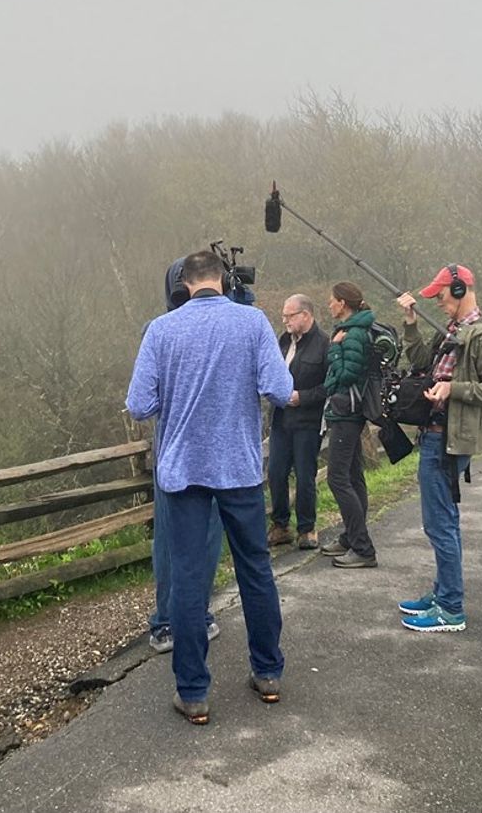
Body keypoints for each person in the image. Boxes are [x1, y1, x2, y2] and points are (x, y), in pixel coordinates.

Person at [126, 249, 293, 725]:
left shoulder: (161, 330)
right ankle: (268, 674)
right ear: (223, 279)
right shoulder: (253, 322)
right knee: (255, 570)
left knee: (188, 577)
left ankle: (194, 693)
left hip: (182, 473)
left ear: (184, 283)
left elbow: (139, 405)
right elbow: (280, 391)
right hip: (239, 469)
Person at [396, 264, 482, 633]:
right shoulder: (451, 330)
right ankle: (443, 593)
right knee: (443, 522)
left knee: (439, 524)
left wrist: (454, 389)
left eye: (442, 294)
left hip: (447, 440)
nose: (438, 301)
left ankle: (450, 608)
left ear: (461, 290)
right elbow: (422, 364)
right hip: (435, 435)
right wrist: (411, 324)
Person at [148, 259, 223, 653]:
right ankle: (179, 617)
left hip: (180, 450)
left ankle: (180, 618)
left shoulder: (161, 330)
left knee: (181, 539)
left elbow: (142, 401)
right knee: (192, 538)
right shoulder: (231, 325)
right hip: (207, 450)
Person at [319, 281, 378, 568]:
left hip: (346, 413)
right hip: (347, 412)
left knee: (337, 478)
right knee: (354, 476)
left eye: (332, 300)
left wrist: (333, 349)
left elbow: (345, 375)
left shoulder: (353, 334)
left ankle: (363, 547)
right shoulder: (351, 330)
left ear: (342, 303)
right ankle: (350, 537)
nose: (329, 304)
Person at [267, 294, 329, 550]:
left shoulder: (324, 344)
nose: (285, 320)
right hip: (281, 418)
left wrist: (302, 397)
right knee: (275, 473)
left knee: (305, 476)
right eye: (283, 316)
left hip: (307, 420)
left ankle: (307, 528)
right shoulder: (283, 341)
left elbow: (329, 386)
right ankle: (280, 525)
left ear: (305, 315)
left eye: (289, 316)